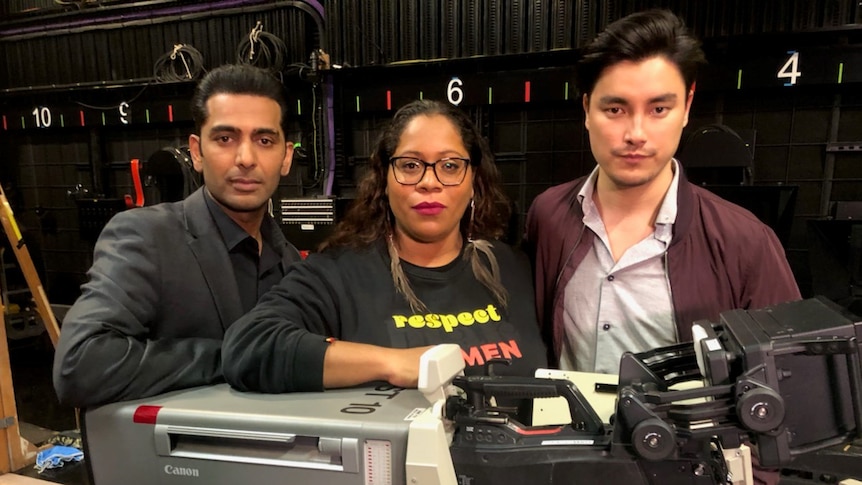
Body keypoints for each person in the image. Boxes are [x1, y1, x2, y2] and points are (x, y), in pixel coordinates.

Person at [524, 9, 801, 374]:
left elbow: (791, 372)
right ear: (587, 110)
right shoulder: (548, 216)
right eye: (615, 108)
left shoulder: (745, 241)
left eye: (658, 108)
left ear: (686, 106)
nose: (635, 133)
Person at [221, 99, 547, 393]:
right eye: (410, 165)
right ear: (384, 180)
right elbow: (248, 348)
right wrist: (393, 363)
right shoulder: (338, 274)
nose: (429, 182)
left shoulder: (514, 269)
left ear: (474, 180)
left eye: (450, 165)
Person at [53, 64, 301, 407]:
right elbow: (80, 365)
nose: (245, 158)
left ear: (285, 157)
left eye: (264, 140)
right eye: (225, 139)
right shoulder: (146, 238)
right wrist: (236, 357)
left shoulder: (288, 261)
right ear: (197, 152)